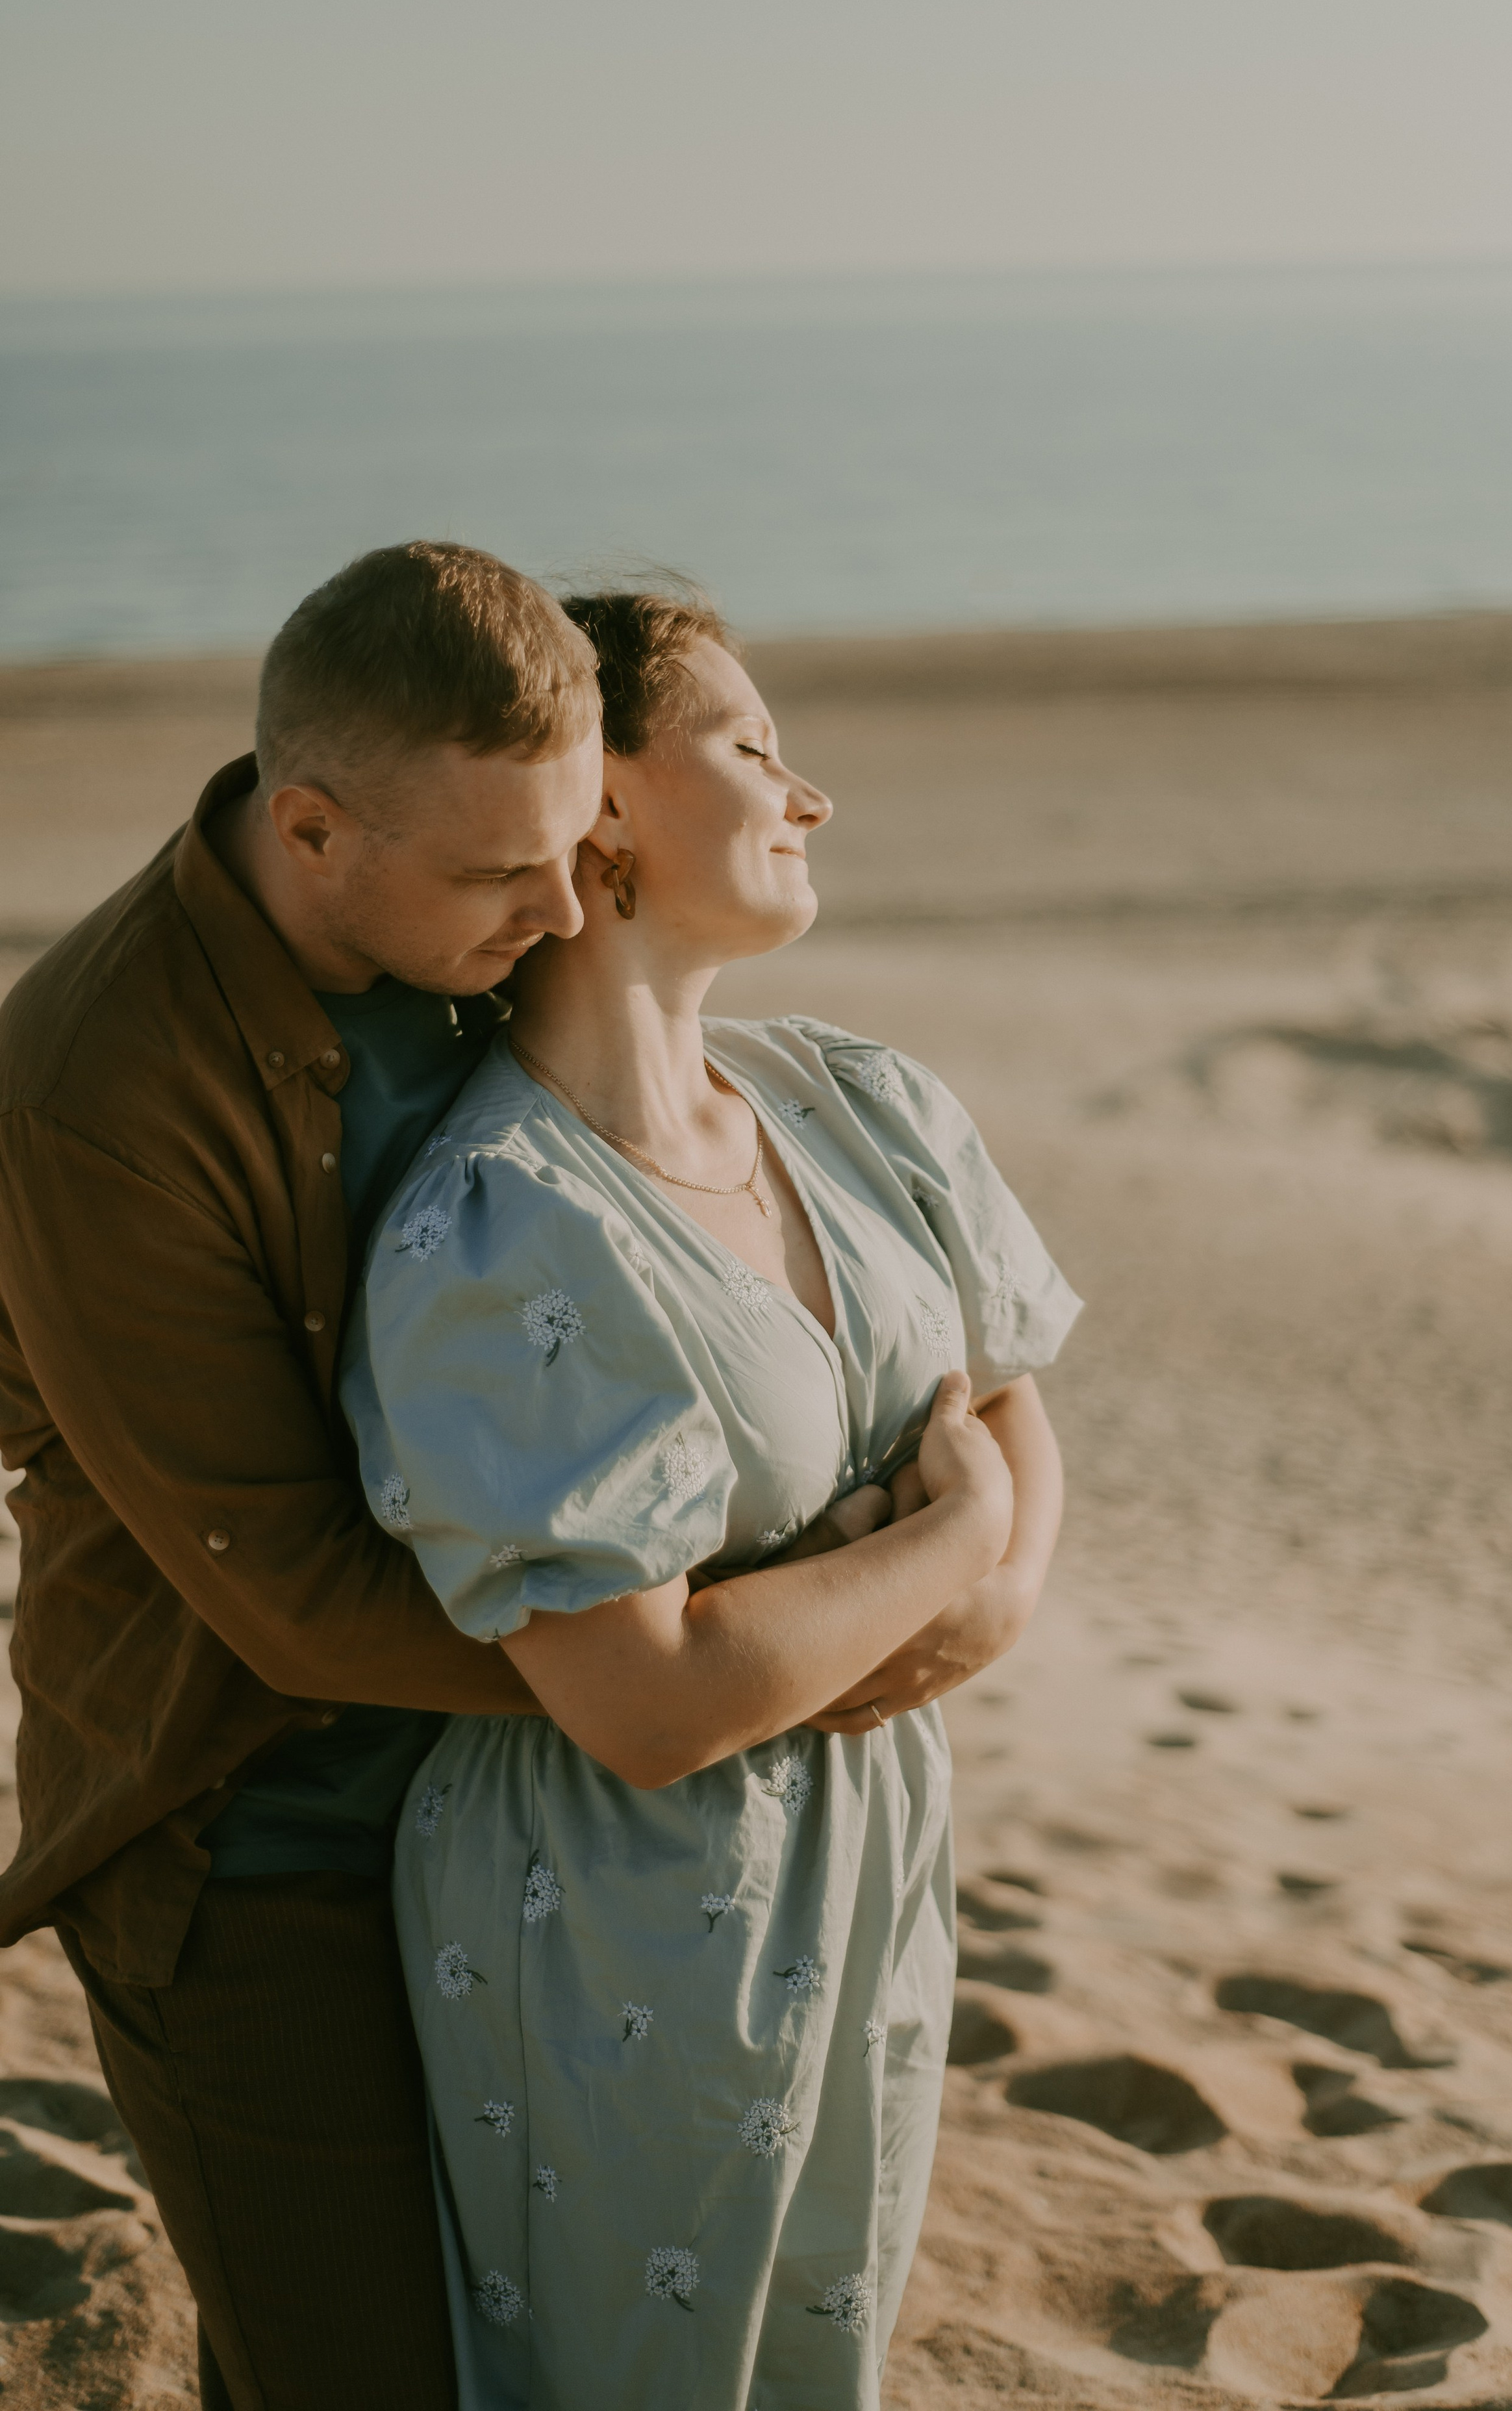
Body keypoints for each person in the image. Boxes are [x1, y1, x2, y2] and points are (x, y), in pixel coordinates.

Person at [342, 589, 1080, 2408]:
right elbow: (648, 1704)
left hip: (873, 1847)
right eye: (752, 747)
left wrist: (979, 1594)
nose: (808, 794)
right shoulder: (501, 1227)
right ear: (599, 804)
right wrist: (952, 1540)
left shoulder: (859, 1100)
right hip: (619, 1915)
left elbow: (1009, 1393)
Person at [0, 541, 611, 2408]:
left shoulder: (498, 932)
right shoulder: (98, 1092)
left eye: (577, 845)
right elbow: (290, 1603)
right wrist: (709, 1671)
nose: (569, 910)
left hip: (501, 1795)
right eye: (504, 873)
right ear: (315, 828)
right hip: (242, 1840)